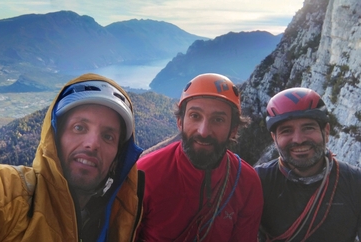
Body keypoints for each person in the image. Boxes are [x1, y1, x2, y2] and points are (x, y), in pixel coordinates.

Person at [0, 73, 144, 242]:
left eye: (108, 136)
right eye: (79, 127)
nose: (92, 143)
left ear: (118, 154)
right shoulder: (13, 196)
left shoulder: (117, 215)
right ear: (55, 136)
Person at [135, 73, 264, 242]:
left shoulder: (247, 183)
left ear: (233, 130)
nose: (204, 131)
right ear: (180, 122)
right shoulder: (144, 175)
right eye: (195, 116)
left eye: (218, 119)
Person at [255, 87, 361, 242]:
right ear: (274, 138)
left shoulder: (355, 183)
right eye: (286, 130)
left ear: (326, 132)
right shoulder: (258, 182)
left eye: (308, 128)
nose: (298, 139)